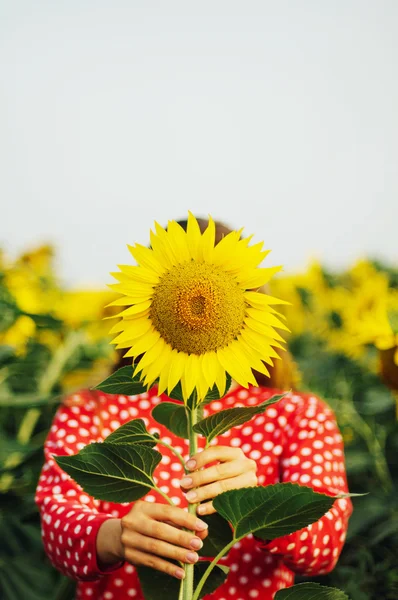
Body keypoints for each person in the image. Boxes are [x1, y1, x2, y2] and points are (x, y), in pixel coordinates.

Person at [35, 219, 353, 600]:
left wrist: (259, 504)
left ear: (253, 309)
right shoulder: (95, 408)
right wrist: (115, 535)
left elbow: (324, 547)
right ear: (142, 310)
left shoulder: (297, 415)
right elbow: (57, 526)